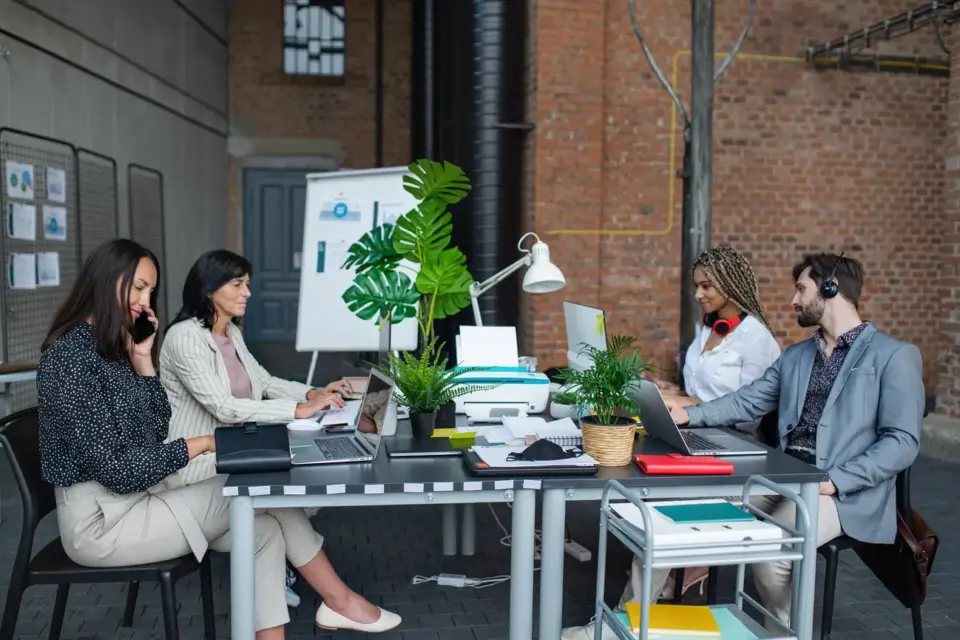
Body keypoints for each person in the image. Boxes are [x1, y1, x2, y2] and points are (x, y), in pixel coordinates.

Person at [37, 239, 399, 640]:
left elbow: (154, 428)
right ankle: (340, 601)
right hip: (103, 523)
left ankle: (324, 610)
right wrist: (202, 444)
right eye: (138, 288)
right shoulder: (70, 358)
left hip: (143, 498)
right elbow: (118, 471)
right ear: (106, 281)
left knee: (262, 531)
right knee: (262, 494)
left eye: (150, 291)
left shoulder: (113, 347)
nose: (145, 302)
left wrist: (142, 361)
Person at [665, 252, 922, 629]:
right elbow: (747, 400)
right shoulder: (797, 356)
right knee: (689, 511)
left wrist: (835, 481)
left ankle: (782, 634)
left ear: (830, 288)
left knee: (770, 549)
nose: (793, 301)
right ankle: (628, 620)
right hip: (785, 475)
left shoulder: (894, 356)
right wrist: (689, 414)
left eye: (801, 289)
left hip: (844, 492)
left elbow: (902, 442)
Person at [562, 245, 781, 640]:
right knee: (646, 493)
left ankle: (621, 621)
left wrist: (685, 403)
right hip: (697, 435)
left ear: (731, 284)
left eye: (707, 285)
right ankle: (644, 604)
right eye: (697, 285)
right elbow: (701, 390)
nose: (698, 294)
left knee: (661, 516)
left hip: (737, 451)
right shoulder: (709, 328)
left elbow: (749, 411)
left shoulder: (757, 339)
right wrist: (669, 391)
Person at [159, 249, 392, 621]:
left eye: (248, 284)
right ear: (209, 288)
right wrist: (298, 410)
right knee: (280, 495)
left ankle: (330, 595)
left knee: (286, 489)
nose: (248, 293)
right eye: (238, 284)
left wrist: (312, 394)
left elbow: (264, 382)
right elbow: (224, 407)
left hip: (231, 455)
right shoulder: (185, 337)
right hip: (196, 468)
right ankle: (338, 599)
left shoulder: (229, 333)